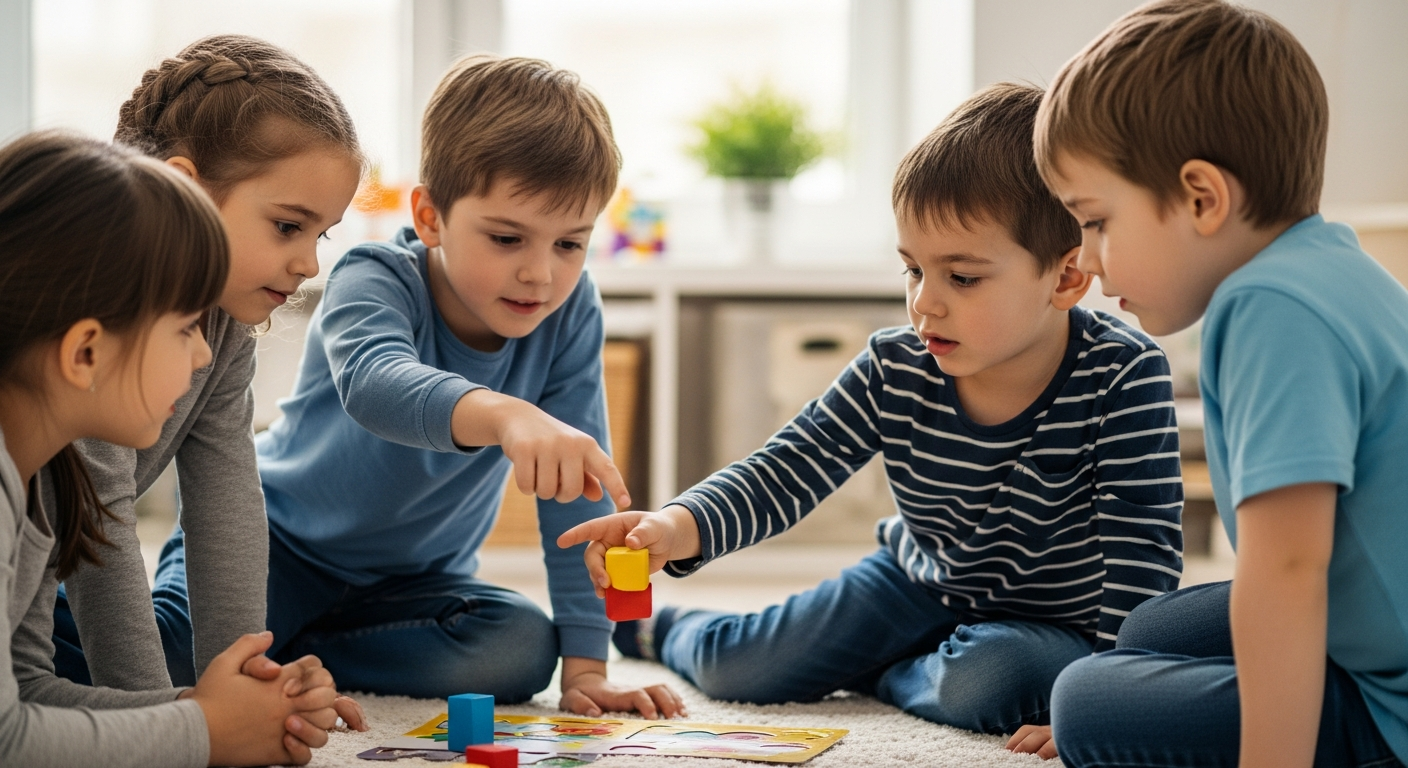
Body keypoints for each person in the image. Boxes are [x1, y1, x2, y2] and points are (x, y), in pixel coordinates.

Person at [559, 83, 1183, 741]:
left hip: (1057, 624)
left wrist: (1113, 690)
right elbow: (789, 467)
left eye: (961, 278)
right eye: (913, 270)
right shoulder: (897, 364)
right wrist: (676, 525)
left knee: (993, 682)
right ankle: (665, 628)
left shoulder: (1124, 374)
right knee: (743, 669)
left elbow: (1142, 549)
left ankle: (883, 674)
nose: (924, 304)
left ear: (1064, 278)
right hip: (912, 583)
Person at [1031, 2, 1408, 766]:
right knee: (1148, 633)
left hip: (1391, 704)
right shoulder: (1331, 265)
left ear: (1202, 197)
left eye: (1096, 221)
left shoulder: (1267, 308)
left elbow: (1289, 569)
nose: (1089, 258)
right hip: (1375, 624)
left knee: (1083, 700)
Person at [254, 54, 682, 717]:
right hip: (276, 545)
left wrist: (588, 668)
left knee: (518, 649)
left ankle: (298, 650)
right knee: (164, 650)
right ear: (430, 217)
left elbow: (577, 498)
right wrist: (504, 414)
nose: (540, 274)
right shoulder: (373, 277)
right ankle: (264, 639)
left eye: (570, 244)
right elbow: (375, 385)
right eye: (508, 238)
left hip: (415, 586)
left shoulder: (569, 312)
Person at [0, 131, 345, 767]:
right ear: (85, 354)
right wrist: (204, 733)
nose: (205, 352)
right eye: (185, 327)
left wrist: (215, 711)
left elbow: (24, 694)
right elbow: (9, 741)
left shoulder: (35, 485)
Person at [50, 36, 366, 730]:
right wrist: (172, 726)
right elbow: (100, 528)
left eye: (322, 235)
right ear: (187, 189)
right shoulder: (95, 314)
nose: (309, 264)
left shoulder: (221, 327)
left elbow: (226, 500)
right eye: (288, 226)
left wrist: (246, 678)